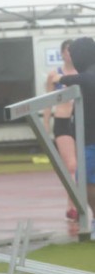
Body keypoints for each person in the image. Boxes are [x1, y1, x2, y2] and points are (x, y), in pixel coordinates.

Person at [54, 36, 95, 238]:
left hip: (91, 140)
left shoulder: (88, 76)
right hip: (88, 138)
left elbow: (66, 79)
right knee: (85, 179)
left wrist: (59, 78)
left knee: (84, 179)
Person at [44, 39, 78, 221]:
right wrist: (45, 123)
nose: (71, 54)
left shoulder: (83, 73)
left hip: (81, 121)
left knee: (82, 167)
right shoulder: (54, 75)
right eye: (68, 51)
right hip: (63, 121)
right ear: (62, 53)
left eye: (74, 50)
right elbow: (47, 101)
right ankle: (73, 206)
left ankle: (71, 204)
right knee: (71, 166)